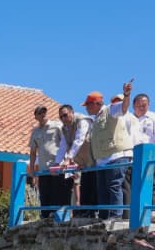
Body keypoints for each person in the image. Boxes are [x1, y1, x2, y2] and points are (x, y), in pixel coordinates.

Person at [84, 83, 133, 219]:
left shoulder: (110, 110)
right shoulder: (95, 120)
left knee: (114, 185)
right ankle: (104, 216)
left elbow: (123, 107)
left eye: (88, 105)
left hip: (116, 155)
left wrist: (127, 94)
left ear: (96, 103)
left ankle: (116, 215)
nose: (86, 108)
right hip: (102, 160)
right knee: (103, 189)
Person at [55, 104, 95, 214]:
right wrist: (57, 163)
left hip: (94, 159)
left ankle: (94, 213)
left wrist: (68, 158)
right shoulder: (64, 128)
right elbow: (63, 146)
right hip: (83, 163)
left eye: (65, 115)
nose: (63, 119)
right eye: (61, 117)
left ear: (72, 113)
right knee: (85, 187)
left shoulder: (82, 121)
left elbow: (79, 140)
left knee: (94, 187)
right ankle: (86, 213)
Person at [27, 105, 66, 217]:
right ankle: (44, 218)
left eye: (44, 112)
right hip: (43, 169)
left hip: (56, 167)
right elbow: (33, 152)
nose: (43, 114)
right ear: (36, 117)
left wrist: (67, 160)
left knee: (57, 194)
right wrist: (31, 168)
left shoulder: (57, 125)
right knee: (44, 195)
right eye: (39, 113)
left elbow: (65, 143)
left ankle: (57, 218)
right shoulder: (35, 132)